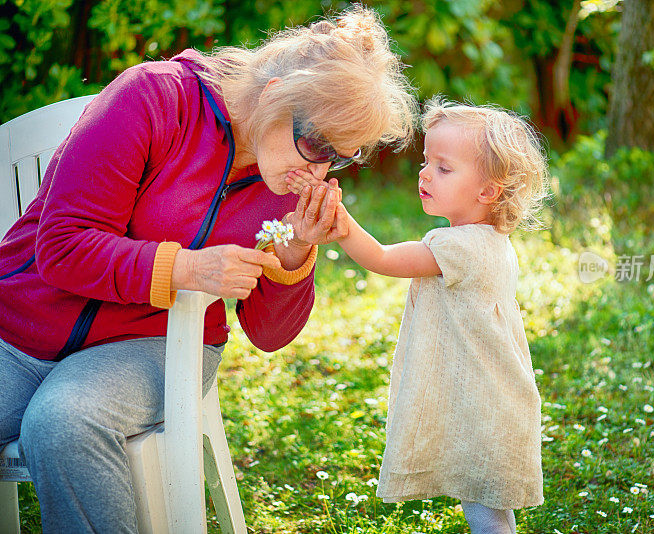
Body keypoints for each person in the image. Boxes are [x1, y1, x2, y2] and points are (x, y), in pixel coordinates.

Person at [0, 6, 415, 532]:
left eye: (339, 157)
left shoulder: (282, 182)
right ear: (272, 95)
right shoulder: (154, 97)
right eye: (314, 145)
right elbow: (61, 246)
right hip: (22, 324)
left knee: (63, 422)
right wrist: (186, 269)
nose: (319, 170)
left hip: (156, 343)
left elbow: (268, 335)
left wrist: (293, 258)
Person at [287, 99, 550, 533]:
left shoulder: (461, 248)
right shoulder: (486, 240)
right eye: (427, 161)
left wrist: (344, 222)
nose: (425, 173)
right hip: (489, 395)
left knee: (486, 511)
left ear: (488, 191)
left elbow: (384, 259)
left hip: (484, 403)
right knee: (488, 503)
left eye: (444, 168)